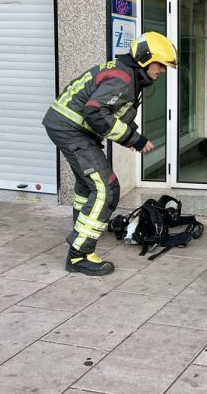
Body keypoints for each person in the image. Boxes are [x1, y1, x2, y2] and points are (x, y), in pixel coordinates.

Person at [42, 32, 177, 276]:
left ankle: (83, 228)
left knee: (88, 184)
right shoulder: (123, 78)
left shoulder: (128, 75)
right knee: (106, 188)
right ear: (145, 59)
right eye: (160, 64)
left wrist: (134, 136)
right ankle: (79, 254)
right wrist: (133, 138)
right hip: (71, 130)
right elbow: (95, 112)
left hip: (69, 126)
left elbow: (114, 111)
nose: (162, 71)